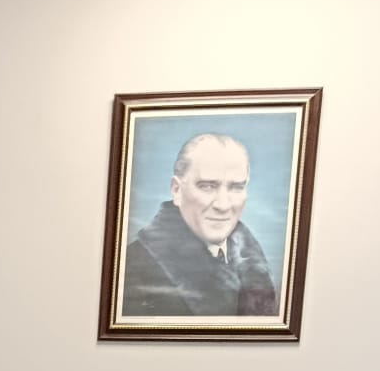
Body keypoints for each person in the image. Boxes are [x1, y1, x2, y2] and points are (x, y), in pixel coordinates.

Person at [119, 133, 279, 318]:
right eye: (207, 186)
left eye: (236, 187)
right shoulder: (132, 269)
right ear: (177, 190)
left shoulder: (250, 260)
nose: (223, 205)